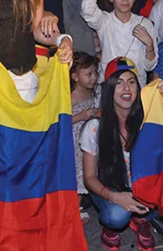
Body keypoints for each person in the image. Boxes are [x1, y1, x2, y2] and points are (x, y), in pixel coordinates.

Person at [81, 58, 163, 251]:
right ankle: (111, 228)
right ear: (109, 90)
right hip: (109, 188)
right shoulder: (95, 127)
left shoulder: (148, 121)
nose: (126, 88)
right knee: (116, 216)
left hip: (143, 187)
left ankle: (142, 219)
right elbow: (89, 178)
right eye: (119, 82)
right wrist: (115, 197)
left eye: (132, 82)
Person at [82, 0, 158, 87]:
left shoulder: (145, 24)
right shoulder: (105, 21)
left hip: (136, 88)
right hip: (110, 84)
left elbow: (150, 65)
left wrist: (149, 45)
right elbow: (87, 9)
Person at [70, 52, 100, 224]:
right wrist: (81, 116)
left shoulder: (92, 93)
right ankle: (76, 207)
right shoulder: (69, 96)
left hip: (90, 140)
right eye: (88, 74)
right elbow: (61, 122)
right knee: (77, 174)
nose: (94, 77)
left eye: (95, 72)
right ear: (75, 76)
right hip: (75, 142)